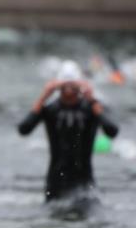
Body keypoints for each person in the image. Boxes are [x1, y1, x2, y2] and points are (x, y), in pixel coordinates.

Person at [17, 61, 119, 205]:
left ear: (80, 86)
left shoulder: (90, 108)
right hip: (55, 180)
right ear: (58, 87)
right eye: (65, 86)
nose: (69, 91)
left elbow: (112, 131)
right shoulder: (50, 109)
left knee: (88, 213)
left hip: (84, 179)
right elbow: (23, 129)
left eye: (73, 86)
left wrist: (92, 99)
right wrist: (44, 96)